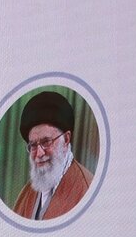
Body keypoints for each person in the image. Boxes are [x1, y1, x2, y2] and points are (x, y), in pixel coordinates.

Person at [12, 91, 94, 221]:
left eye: (46, 142)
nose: (39, 153)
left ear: (66, 139)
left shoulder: (87, 190)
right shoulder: (26, 194)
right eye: (33, 145)